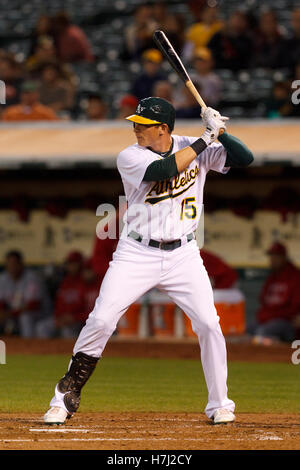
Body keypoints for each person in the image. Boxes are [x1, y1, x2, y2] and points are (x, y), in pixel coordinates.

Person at [44, 96, 253, 425]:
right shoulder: (131, 156)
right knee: (101, 320)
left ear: (164, 129)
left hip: (184, 253)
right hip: (137, 252)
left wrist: (221, 132)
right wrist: (206, 138)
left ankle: (220, 404)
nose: (135, 129)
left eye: (143, 125)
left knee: (210, 325)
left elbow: (246, 158)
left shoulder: (193, 144)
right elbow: (165, 169)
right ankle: (65, 397)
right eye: (135, 123)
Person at [252, 242, 300, 345]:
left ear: (283, 257)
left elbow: (294, 308)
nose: (272, 260)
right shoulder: (272, 277)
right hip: (268, 319)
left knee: (262, 332)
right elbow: (263, 300)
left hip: (286, 321)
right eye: (271, 256)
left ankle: (271, 356)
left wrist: (270, 316)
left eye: (276, 256)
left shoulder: (295, 276)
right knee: (247, 329)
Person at [0, 251, 44, 337]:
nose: (12, 267)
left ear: (21, 264)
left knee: (25, 318)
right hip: (12, 314)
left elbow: (33, 305)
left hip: (37, 315)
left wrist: (9, 313)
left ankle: (28, 346)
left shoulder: (32, 278)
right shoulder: (3, 278)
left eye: (14, 264)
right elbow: (1, 302)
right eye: (9, 264)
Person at [53, 251, 85, 338]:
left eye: (74, 263)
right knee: (42, 327)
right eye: (69, 263)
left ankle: (69, 351)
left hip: (79, 321)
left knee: (67, 330)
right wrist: (58, 318)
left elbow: (89, 309)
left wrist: (75, 317)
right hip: (63, 319)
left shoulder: (85, 282)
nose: (71, 266)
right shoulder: (65, 282)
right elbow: (58, 305)